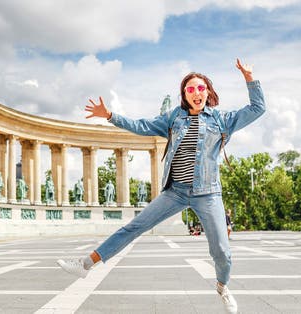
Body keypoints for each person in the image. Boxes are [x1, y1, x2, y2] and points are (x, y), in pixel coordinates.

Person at [56, 59, 265, 314]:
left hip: (207, 193)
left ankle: (222, 287)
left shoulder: (222, 120)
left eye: (201, 88)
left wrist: (249, 77)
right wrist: (110, 116)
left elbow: (258, 108)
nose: (196, 93)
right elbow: (142, 126)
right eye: (190, 90)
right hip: (175, 192)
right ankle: (85, 264)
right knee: (134, 227)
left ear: (208, 91)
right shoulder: (174, 118)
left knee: (221, 250)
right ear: (184, 95)